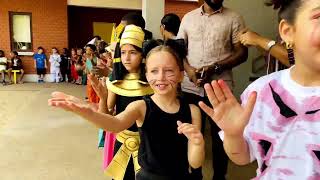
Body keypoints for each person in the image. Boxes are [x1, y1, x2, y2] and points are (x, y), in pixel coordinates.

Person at [49, 38, 205, 180]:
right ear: (147, 74)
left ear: (181, 75)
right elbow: (115, 124)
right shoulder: (141, 107)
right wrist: (88, 113)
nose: (161, 77)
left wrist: (197, 143)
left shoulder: (192, 111)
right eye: (154, 71)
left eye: (169, 70)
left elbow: (195, 162)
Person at [199, 0, 320, 179]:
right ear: (287, 32)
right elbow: (243, 156)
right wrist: (234, 135)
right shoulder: (261, 92)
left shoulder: (233, 17)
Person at [177, 0, 248, 179]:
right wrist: (189, 71)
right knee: (193, 133)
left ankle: (219, 176)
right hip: (190, 87)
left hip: (220, 88)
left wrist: (215, 67)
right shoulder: (188, 18)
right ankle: (195, 175)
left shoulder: (234, 18)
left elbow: (242, 53)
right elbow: (179, 51)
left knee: (220, 137)